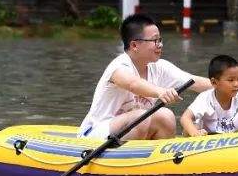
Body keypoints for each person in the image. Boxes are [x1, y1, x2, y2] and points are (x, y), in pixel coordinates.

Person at [80, 14, 212, 141]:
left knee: (166, 116)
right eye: (155, 40)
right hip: (96, 133)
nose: (160, 45)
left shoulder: (160, 67)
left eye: (160, 40)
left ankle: (159, 160)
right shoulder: (119, 66)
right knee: (141, 117)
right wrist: (160, 92)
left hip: (134, 129)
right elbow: (133, 84)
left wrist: (227, 87)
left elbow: (195, 82)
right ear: (134, 45)